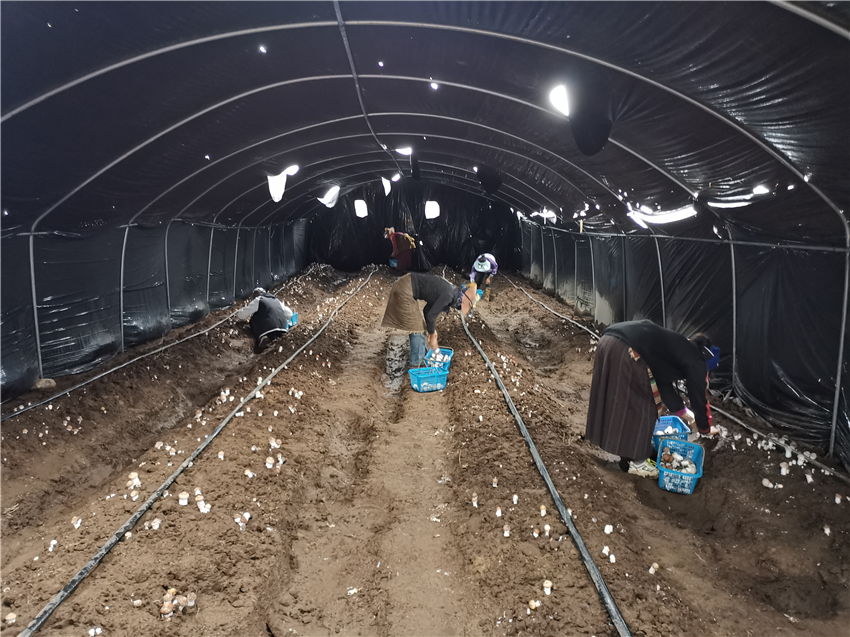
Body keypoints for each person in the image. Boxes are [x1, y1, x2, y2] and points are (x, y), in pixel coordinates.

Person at [585, 319, 719, 478]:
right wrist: (705, 428)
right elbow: (699, 398)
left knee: (618, 398)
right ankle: (638, 462)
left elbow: (663, 385)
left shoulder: (680, 347)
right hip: (627, 350)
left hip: (608, 342)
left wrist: (686, 414)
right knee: (645, 400)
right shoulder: (697, 361)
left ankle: (627, 452)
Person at [381, 273, 475, 365]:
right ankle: (417, 364)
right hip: (405, 290)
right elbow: (431, 316)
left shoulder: (452, 292)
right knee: (417, 329)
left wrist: (432, 330)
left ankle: (422, 356)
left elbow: (427, 311)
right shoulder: (449, 296)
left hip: (406, 283)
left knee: (421, 327)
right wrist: (433, 338)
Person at [237, 288, 294, 353]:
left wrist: (240, 315)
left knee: (253, 318)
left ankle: (264, 337)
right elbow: (290, 314)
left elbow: (242, 315)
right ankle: (279, 337)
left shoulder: (259, 300)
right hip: (282, 328)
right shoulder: (276, 300)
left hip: (267, 330)